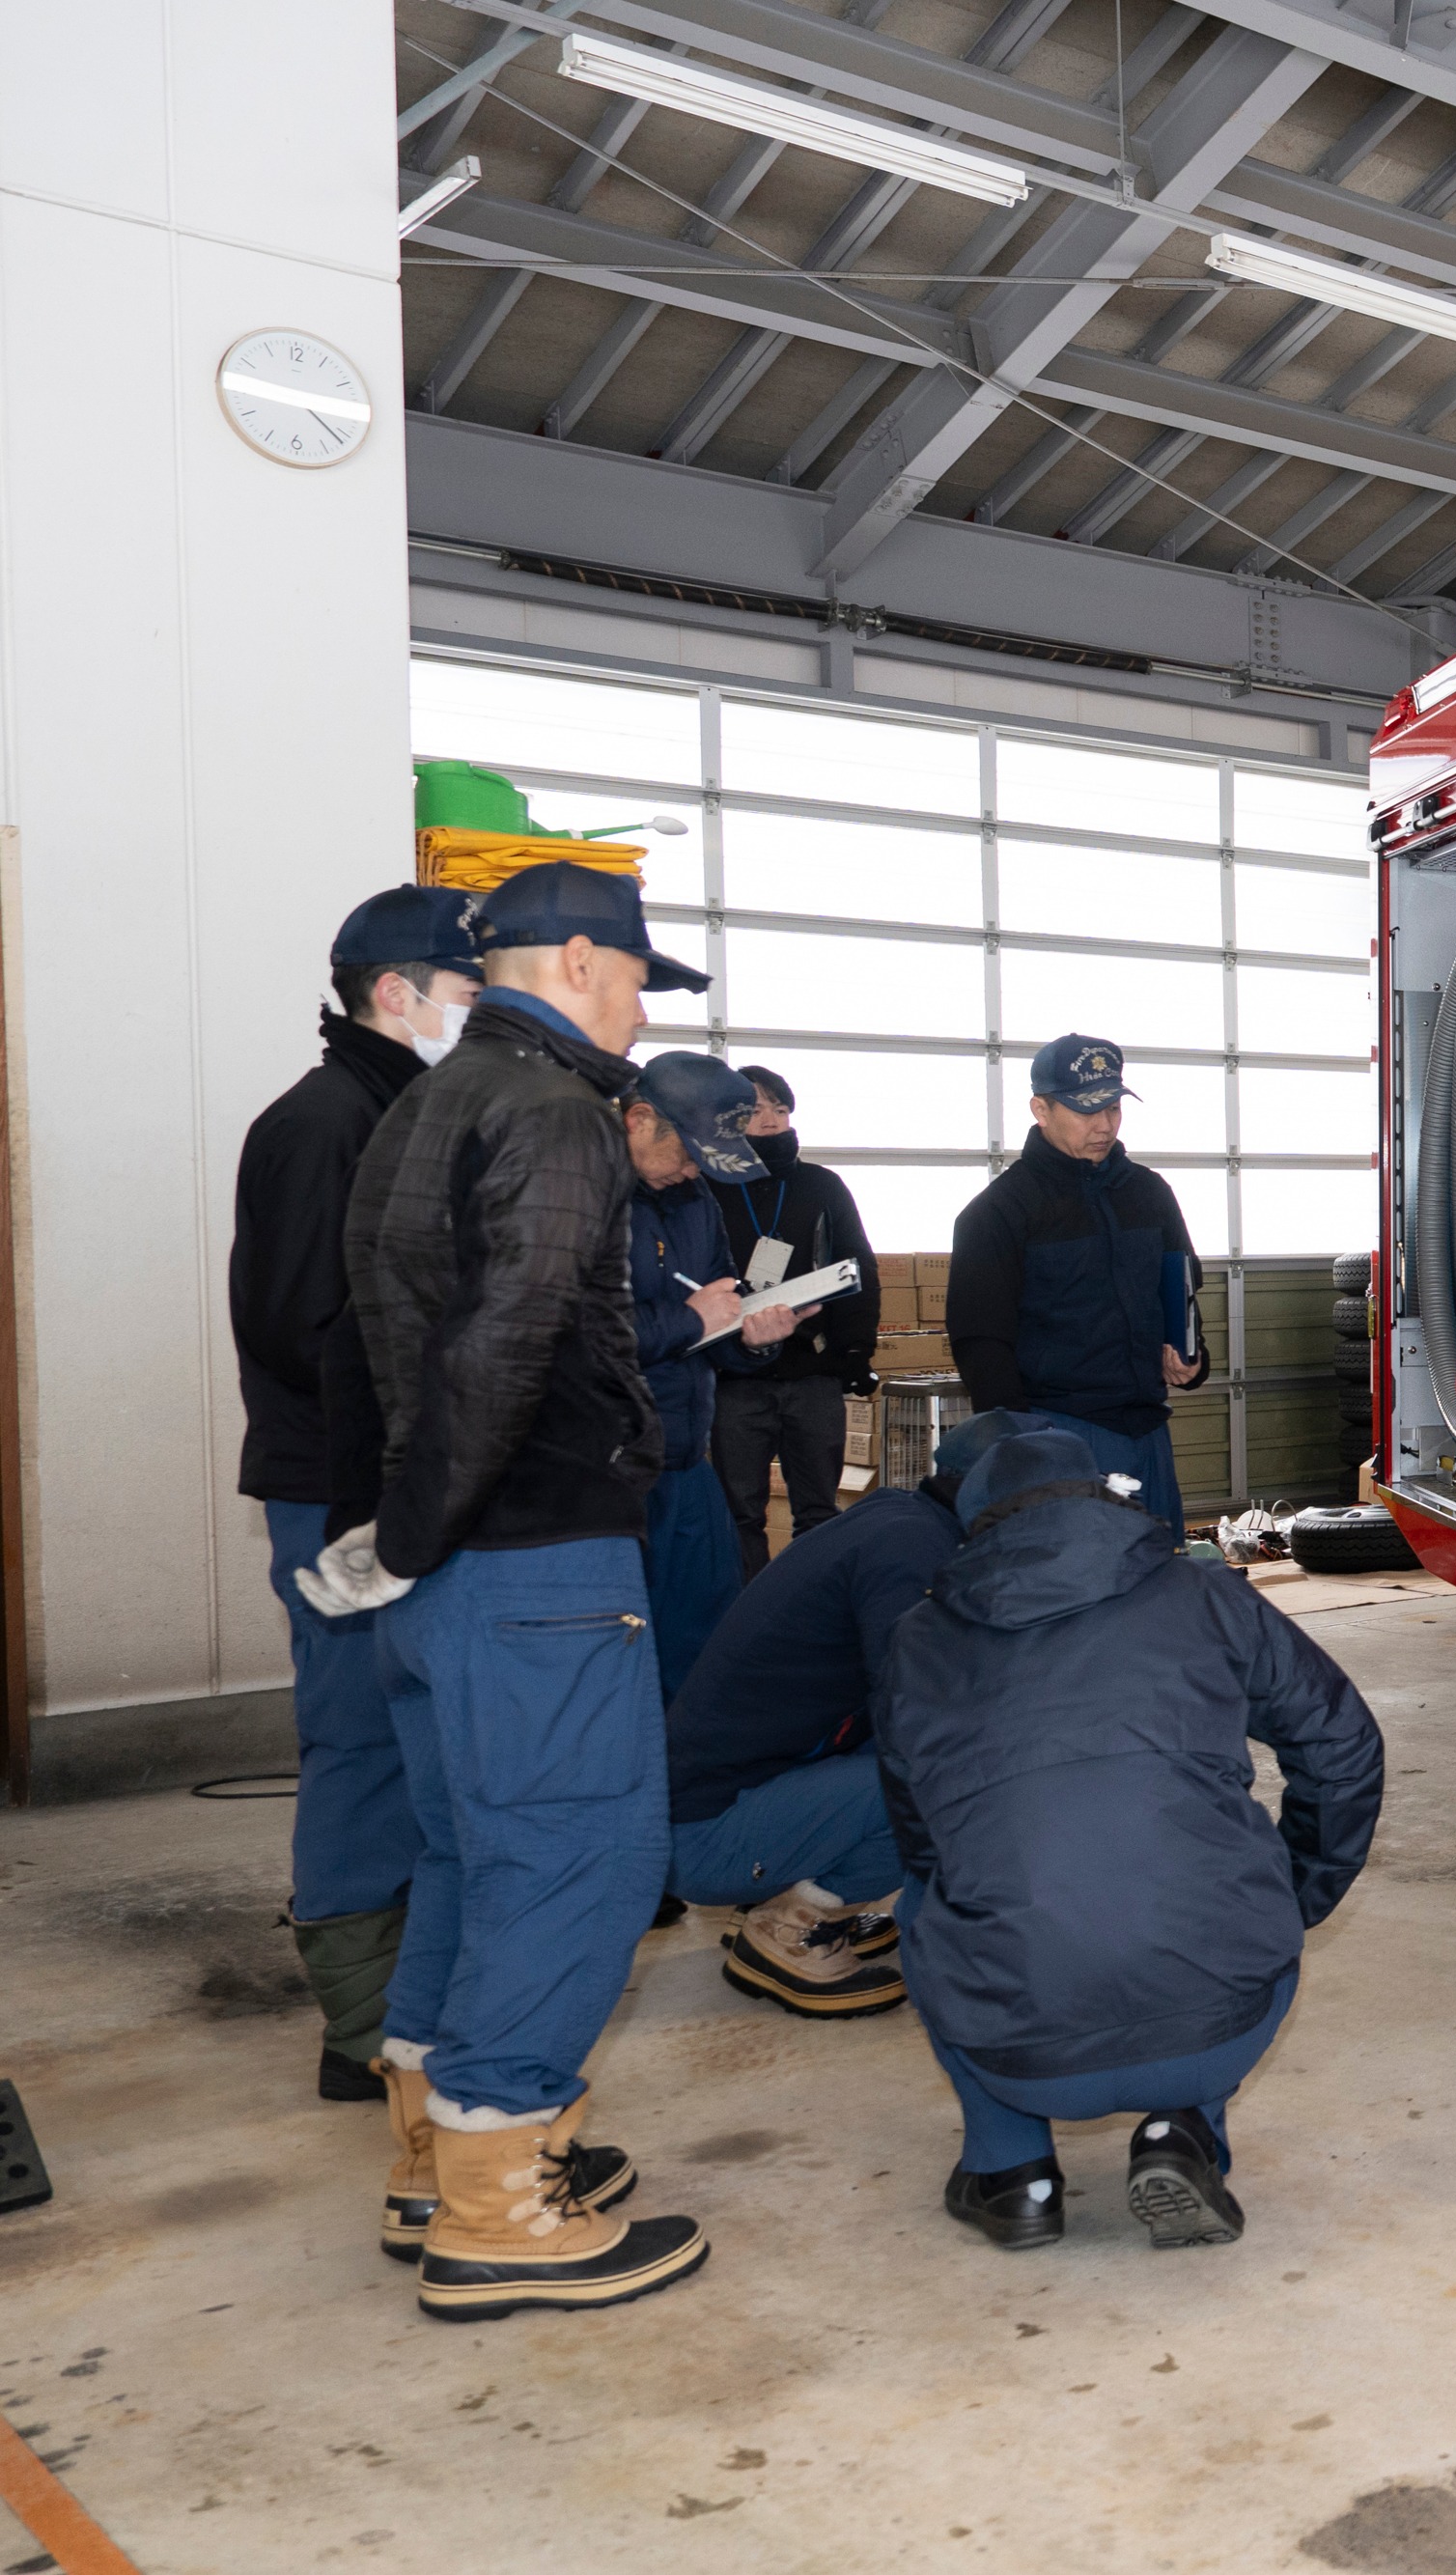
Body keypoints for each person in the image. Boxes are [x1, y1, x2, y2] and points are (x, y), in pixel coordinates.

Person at [311, 859, 712, 2320]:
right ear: (584, 964)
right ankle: (498, 2200)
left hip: (445, 1574)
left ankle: (435, 2156)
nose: (638, 1010)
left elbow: (375, 1339)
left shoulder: (425, 1102)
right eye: (637, 979)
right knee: (577, 1856)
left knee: (472, 1855)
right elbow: (508, 1341)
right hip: (529, 1557)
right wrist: (420, 1531)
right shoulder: (552, 1112)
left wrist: (396, 1534)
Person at [877, 1422, 1381, 2253]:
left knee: (926, 1898)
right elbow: (1343, 1745)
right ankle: (1182, 2132)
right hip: (1218, 2019)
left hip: (1019, 2049)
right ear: (1106, 1496)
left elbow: (923, 1841)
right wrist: (1297, 1893)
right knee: (1203, 1870)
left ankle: (1013, 2172)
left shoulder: (917, 1639)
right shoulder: (1208, 1595)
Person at [229, 885, 486, 2106]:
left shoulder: (404, 1113)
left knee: (413, 1735)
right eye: (470, 989)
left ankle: (406, 1992)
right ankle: (358, 2021)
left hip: (396, 1478)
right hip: (337, 1488)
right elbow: (298, 1327)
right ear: (397, 993)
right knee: (359, 1738)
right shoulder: (324, 1122)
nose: (481, 1010)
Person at [666, 1410, 1045, 2019]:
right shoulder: (911, 1553)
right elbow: (922, 1712)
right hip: (708, 1834)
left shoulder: (902, 1518)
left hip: (720, 1800)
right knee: (956, 1780)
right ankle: (791, 1927)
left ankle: (783, 1896)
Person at [946, 1032, 1208, 1535]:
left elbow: (1182, 1289)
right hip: (1059, 1435)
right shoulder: (999, 1212)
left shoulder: (1150, 1193)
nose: (1104, 1125)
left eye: (1113, 1108)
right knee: (1081, 1574)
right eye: (1086, 1110)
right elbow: (982, 1343)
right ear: (1041, 1110)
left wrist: (1193, 1358)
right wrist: (1023, 1452)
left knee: (1162, 1569)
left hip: (1147, 1430)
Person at [625, 1051, 809, 1699]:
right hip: (613, 1471)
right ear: (638, 1120)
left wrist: (752, 1337)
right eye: (688, 1153)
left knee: (704, 1645)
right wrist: (689, 1320)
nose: (693, 1170)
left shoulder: (694, 1197)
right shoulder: (584, 1201)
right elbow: (578, 1331)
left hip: (687, 1459)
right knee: (621, 1653)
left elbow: (717, 1308)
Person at [706, 1064, 881, 1578]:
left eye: (780, 1109)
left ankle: (811, 1607)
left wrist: (854, 1351)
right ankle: (746, 1611)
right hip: (734, 1378)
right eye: (756, 1110)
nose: (771, 1120)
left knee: (819, 1512)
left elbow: (858, 1267)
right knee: (739, 1512)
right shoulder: (709, 1186)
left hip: (812, 1374)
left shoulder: (821, 1185)